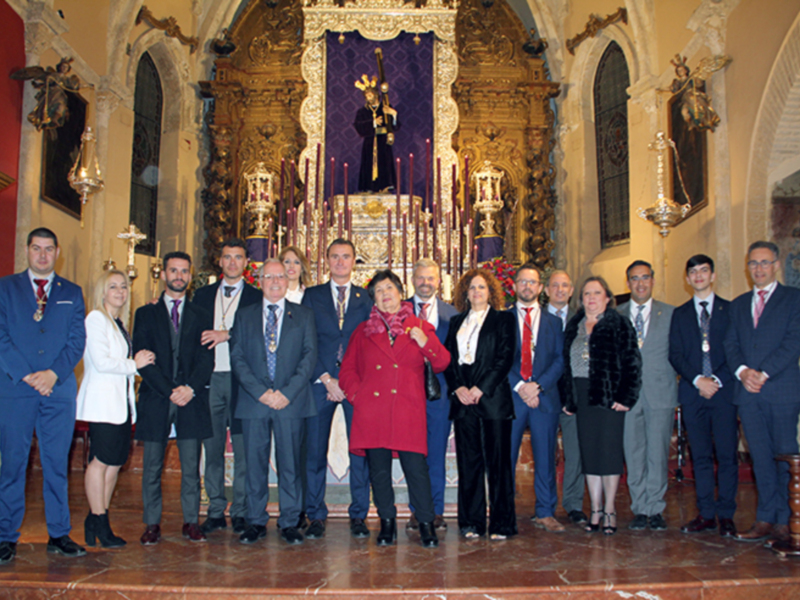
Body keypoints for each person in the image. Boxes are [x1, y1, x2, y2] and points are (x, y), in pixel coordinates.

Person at [340, 270, 451, 547]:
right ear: (373, 300)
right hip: (373, 411)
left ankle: (426, 523)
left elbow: (442, 363)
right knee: (378, 471)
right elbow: (348, 370)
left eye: (389, 288)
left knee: (416, 469)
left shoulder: (419, 325)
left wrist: (425, 343)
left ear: (400, 292)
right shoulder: (363, 331)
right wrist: (358, 395)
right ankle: (387, 523)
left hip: (407, 409)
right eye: (378, 291)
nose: (384, 294)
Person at [0, 228, 87, 564]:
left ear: (57, 252)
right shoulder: (5, 288)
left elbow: (76, 341)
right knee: (12, 465)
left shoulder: (73, 292)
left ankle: (59, 533)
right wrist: (26, 374)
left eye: (48, 249)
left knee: (56, 465)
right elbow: (2, 336)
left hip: (57, 389)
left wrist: (52, 374)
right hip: (15, 389)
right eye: (36, 249)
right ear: (27, 250)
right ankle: (6, 535)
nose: (42, 255)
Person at [230, 259, 317, 546]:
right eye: (269, 277)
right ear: (260, 280)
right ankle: (255, 520)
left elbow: (308, 358)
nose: (276, 282)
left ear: (288, 279)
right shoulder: (244, 315)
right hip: (255, 401)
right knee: (254, 465)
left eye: (281, 276)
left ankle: (290, 521)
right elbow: (238, 358)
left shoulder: (303, 315)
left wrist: (286, 393)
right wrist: (261, 393)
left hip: (290, 402)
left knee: (290, 464)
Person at [132, 251, 214, 545]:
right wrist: (169, 390)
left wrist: (190, 388)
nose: (178, 276)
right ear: (164, 274)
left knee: (191, 468)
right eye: (173, 270)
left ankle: (191, 521)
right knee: (152, 466)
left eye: (184, 271)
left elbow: (207, 359)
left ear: (190, 277)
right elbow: (142, 358)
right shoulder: (145, 313)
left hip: (190, 399)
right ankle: (152, 523)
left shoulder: (202, 314)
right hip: (157, 398)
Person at [724, 241, 800, 546]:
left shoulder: (793, 299)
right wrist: (743, 372)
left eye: (765, 262)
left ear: (777, 265)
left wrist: (762, 373)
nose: (759, 268)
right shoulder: (738, 304)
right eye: (753, 263)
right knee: (761, 459)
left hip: (780, 390)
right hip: (748, 394)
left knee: (784, 456)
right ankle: (765, 518)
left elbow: (793, 342)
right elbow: (731, 344)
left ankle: (785, 520)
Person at [77, 269, 155, 548]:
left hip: (119, 405)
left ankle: (97, 517)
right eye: (113, 287)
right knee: (100, 462)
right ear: (102, 292)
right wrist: (136, 364)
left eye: (123, 287)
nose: (120, 291)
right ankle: (100, 521)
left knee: (114, 463)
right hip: (102, 405)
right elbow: (101, 362)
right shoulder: (96, 319)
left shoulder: (118, 322)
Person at [301, 239, 373, 539]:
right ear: (326, 260)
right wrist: (327, 378)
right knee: (314, 452)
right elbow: (306, 341)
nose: (340, 262)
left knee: (360, 452)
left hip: (356, 386)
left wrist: (349, 381)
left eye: (346, 257)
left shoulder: (366, 297)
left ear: (354, 261)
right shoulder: (312, 295)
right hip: (321, 385)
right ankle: (315, 514)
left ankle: (359, 514)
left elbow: (371, 343)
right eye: (335, 257)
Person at [193, 238, 262, 536]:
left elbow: (260, 335)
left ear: (246, 262)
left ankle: (242, 511)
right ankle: (215, 509)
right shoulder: (202, 295)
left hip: (242, 381)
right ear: (219, 262)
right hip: (210, 380)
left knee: (245, 450)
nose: (232, 262)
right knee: (213, 449)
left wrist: (227, 334)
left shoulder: (256, 297)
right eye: (227, 257)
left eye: (238, 257)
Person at [561, 277, 641, 535]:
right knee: (590, 454)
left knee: (608, 454)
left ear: (608, 297)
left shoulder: (619, 323)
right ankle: (595, 509)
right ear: (581, 299)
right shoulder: (573, 325)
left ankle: (610, 509)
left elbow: (632, 363)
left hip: (609, 399)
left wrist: (626, 396)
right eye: (586, 294)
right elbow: (565, 365)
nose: (591, 298)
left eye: (597, 293)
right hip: (582, 398)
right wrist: (568, 398)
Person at [443, 268, 517, 540]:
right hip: (463, 400)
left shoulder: (504, 320)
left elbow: (505, 359)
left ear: (491, 291)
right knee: (469, 463)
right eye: (472, 288)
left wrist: (480, 389)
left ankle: (501, 524)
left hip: (493, 398)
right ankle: (471, 522)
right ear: (465, 292)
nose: (476, 292)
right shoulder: (456, 321)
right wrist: (459, 387)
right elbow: (448, 360)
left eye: (481, 287)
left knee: (498, 464)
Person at [668, 255, 738, 537]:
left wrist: (716, 380)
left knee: (727, 455)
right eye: (693, 272)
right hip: (693, 392)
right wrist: (698, 380)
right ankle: (706, 513)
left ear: (712, 275)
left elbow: (735, 350)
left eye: (703, 271)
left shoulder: (730, 310)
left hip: (723, 393)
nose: (698, 276)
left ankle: (727, 514)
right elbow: (675, 354)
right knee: (701, 456)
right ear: (687, 279)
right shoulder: (680, 313)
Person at [618, 260, 677, 531]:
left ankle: (656, 506)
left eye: (644, 278)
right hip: (628, 397)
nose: (640, 283)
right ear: (627, 283)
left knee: (658, 452)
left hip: (660, 393)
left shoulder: (671, 314)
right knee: (634, 452)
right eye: (634, 278)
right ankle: (639, 508)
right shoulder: (616, 315)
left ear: (652, 280)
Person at [508, 264, 565, 533]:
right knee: (505, 456)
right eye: (522, 282)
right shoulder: (502, 319)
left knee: (545, 458)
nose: (527, 287)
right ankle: (504, 510)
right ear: (514, 286)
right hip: (513, 397)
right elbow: (500, 359)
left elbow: (559, 360)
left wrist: (537, 386)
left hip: (544, 398)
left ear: (540, 288)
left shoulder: (555, 322)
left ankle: (545, 511)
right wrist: (521, 386)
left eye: (532, 282)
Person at [405, 258, 458, 531]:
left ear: (439, 281)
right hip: (407, 394)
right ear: (412, 280)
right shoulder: (397, 311)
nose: (426, 283)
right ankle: (417, 511)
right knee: (414, 456)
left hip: (440, 395)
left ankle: (435, 511)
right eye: (421, 277)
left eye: (431, 278)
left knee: (436, 454)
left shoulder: (453, 314)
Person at [545, 270, 587, 526]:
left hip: (573, 398)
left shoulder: (583, 319)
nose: (560, 290)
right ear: (546, 290)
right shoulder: (534, 317)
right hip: (545, 396)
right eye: (555, 285)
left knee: (575, 452)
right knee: (545, 453)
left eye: (565, 286)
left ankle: (573, 503)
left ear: (572, 291)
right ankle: (546, 505)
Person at [354, 76, 399, 193]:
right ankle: (369, 187)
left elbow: (395, 126)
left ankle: (385, 186)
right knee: (368, 164)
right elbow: (358, 126)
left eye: (370, 95)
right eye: (366, 96)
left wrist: (393, 115)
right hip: (369, 142)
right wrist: (373, 123)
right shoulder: (362, 111)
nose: (369, 98)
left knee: (384, 162)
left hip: (383, 141)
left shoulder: (385, 108)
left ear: (376, 95)